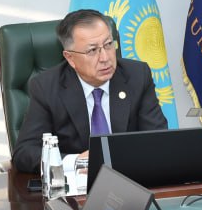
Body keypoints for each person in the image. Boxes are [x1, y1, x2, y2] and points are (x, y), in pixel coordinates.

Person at [11, 9, 167, 173]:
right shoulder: (46, 87)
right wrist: (77, 162)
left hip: (131, 177)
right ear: (70, 58)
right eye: (92, 50)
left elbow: (158, 140)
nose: (105, 58)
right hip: (78, 184)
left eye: (108, 44)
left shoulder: (137, 76)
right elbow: (24, 153)